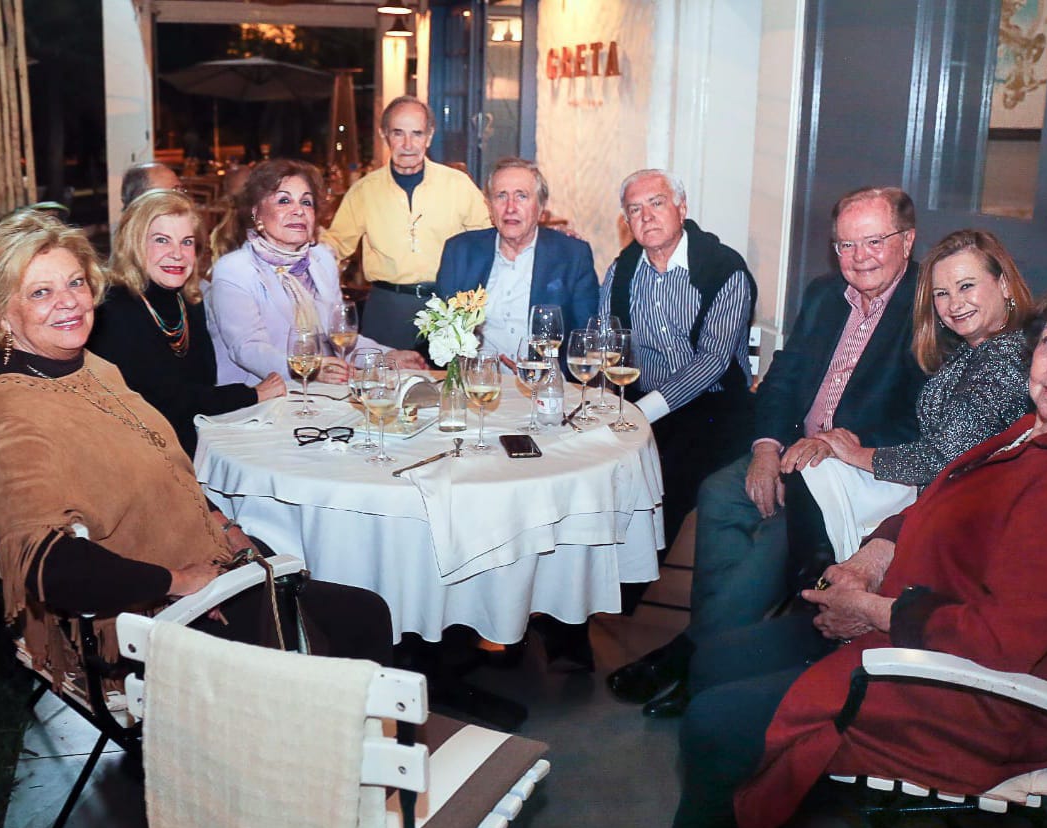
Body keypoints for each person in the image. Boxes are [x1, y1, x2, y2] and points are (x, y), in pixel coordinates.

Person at [602, 268, 1047, 828]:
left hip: (986, 698)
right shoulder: (1044, 430)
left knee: (718, 720)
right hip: (925, 630)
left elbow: (1002, 640)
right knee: (719, 659)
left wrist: (871, 609)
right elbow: (939, 500)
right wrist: (873, 557)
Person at [0, 209, 393, 689]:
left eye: (76, 283)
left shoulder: (92, 368)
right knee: (357, 626)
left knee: (361, 612)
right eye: (40, 292)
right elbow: (47, 564)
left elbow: (162, 465)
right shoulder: (11, 414)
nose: (70, 302)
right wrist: (179, 582)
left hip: (207, 570)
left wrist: (225, 525)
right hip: (149, 626)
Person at [608, 186, 927, 719]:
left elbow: (919, 415)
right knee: (719, 492)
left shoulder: (929, 306)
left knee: (776, 539)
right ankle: (716, 652)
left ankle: (695, 660)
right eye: (845, 245)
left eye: (874, 241)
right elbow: (783, 378)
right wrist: (765, 448)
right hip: (791, 453)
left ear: (908, 240)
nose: (859, 257)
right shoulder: (826, 294)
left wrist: (832, 445)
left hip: (858, 473)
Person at [791, 228, 1034, 562]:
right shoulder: (971, 351)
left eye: (966, 286)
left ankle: (815, 584)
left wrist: (857, 454)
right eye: (942, 293)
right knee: (814, 472)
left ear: (1003, 284)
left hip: (970, 517)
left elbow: (942, 459)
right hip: (937, 496)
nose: (955, 304)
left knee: (815, 476)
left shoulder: (1005, 360)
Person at [599, 168, 757, 563]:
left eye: (656, 203)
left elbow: (714, 361)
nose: (646, 216)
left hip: (714, 408)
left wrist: (643, 413)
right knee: (593, 467)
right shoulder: (622, 271)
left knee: (661, 479)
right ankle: (591, 578)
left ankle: (627, 586)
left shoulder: (724, 269)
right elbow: (606, 344)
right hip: (638, 399)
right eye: (635, 209)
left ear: (681, 208)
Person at [88, 190, 286, 459]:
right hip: (137, 456)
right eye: (161, 240)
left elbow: (200, 386)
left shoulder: (188, 301)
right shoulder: (113, 308)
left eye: (187, 242)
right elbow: (159, 400)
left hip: (188, 444)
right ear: (134, 244)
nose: (177, 254)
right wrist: (250, 395)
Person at [206, 159, 423, 387]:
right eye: (284, 200)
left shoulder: (321, 260)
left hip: (319, 390)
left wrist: (384, 356)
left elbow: (340, 339)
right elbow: (247, 348)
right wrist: (309, 367)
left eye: (306, 202)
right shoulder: (234, 270)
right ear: (256, 213)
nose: (298, 210)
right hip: (259, 394)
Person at [322, 96, 491, 348]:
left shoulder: (458, 185)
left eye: (417, 134)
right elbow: (334, 246)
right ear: (384, 135)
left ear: (429, 136)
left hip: (447, 309)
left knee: (447, 376)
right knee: (381, 374)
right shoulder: (364, 191)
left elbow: (487, 242)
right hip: (386, 310)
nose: (408, 145)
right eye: (398, 133)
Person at [435, 157, 598, 357]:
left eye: (521, 196)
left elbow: (586, 339)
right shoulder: (460, 252)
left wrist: (539, 370)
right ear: (489, 206)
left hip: (544, 374)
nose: (510, 208)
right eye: (501, 196)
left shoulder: (572, 256)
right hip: (477, 374)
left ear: (540, 206)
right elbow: (442, 332)